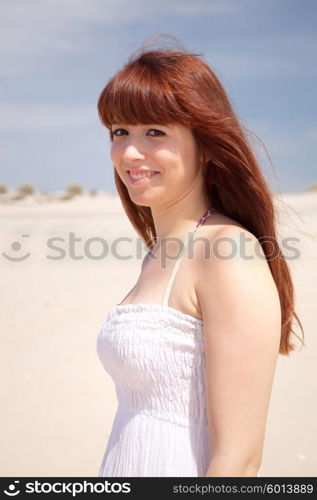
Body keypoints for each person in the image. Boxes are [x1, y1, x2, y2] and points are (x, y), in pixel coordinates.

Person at [96, 37, 304, 477]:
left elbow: (240, 460)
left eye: (155, 131)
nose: (131, 152)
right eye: (120, 132)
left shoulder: (226, 251)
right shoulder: (161, 254)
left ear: (205, 144)